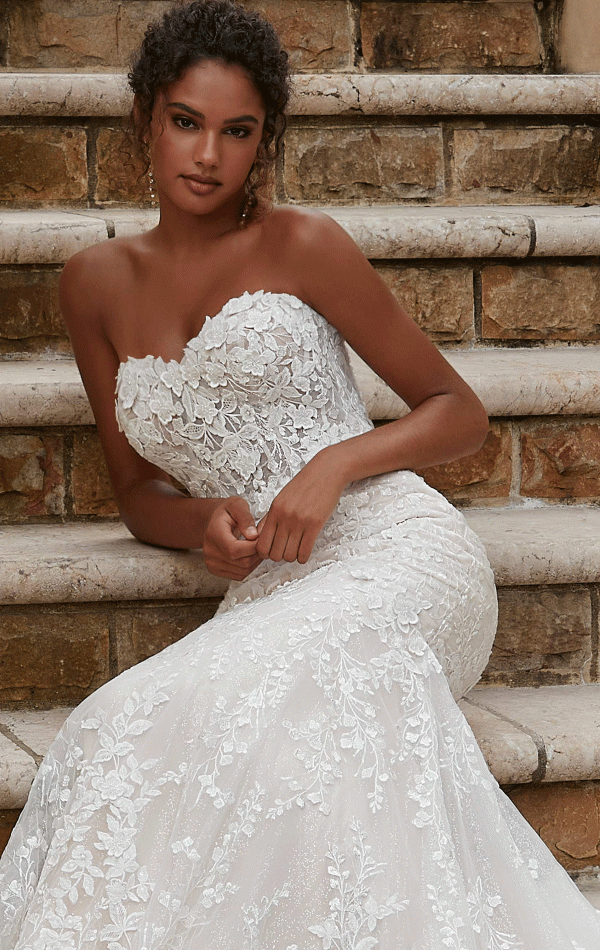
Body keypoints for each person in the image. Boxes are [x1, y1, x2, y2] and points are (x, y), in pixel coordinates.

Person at [1, 1, 599, 947]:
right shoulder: (93, 284)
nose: (208, 154)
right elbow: (137, 496)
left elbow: (459, 412)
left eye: (237, 131)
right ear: (145, 121)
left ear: (264, 140)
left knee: (263, 716)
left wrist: (335, 464)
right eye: (187, 123)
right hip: (276, 585)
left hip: (402, 556)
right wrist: (200, 525)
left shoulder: (302, 245)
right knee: (118, 723)